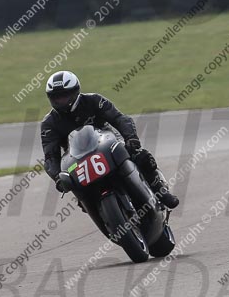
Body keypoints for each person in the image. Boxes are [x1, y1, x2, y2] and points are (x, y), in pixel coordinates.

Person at [40, 70, 180, 209]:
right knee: (75, 188)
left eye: (64, 96)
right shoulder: (49, 123)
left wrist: (131, 138)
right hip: (76, 160)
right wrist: (58, 178)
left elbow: (120, 118)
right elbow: (50, 156)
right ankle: (99, 214)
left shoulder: (94, 100)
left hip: (108, 143)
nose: (60, 101)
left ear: (75, 91)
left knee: (141, 156)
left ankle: (161, 192)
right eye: (56, 97)